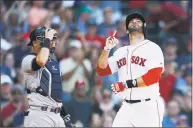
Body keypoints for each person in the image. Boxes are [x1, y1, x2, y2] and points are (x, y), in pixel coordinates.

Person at [97, 13, 165, 127]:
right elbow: (102, 70)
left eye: (138, 21)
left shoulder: (153, 48)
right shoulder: (121, 52)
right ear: (127, 30)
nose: (134, 22)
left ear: (144, 28)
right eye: (131, 21)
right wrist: (107, 49)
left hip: (148, 106)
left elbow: (154, 76)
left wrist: (125, 85)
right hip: (127, 107)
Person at [21, 26, 75, 127]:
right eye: (46, 39)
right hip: (39, 115)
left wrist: (66, 119)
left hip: (57, 115)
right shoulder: (28, 59)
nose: (51, 42)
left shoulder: (54, 63)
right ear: (34, 42)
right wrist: (47, 40)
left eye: (52, 39)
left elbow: (55, 94)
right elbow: (41, 61)